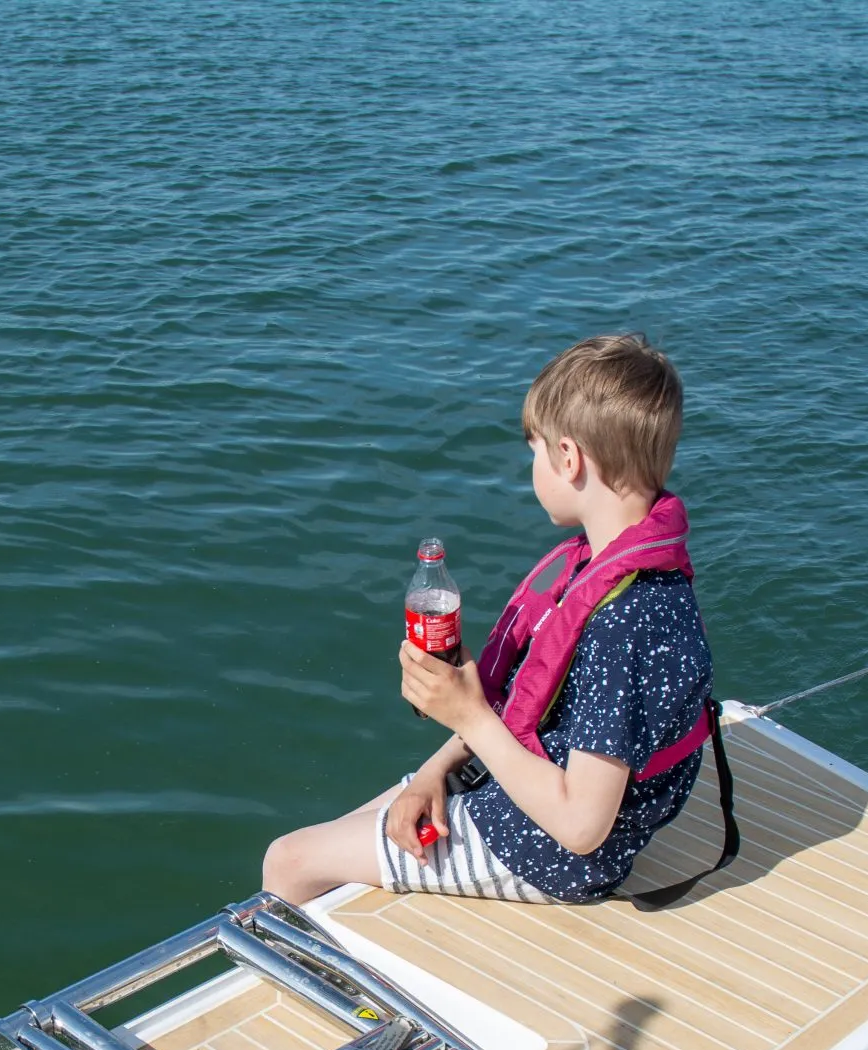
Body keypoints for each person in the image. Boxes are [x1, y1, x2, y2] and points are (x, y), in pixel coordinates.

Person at [262, 334, 722, 905]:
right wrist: (436, 771)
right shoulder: (637, 573)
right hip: (547, 791)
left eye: (535, 452)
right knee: (356, 826)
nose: (532, 467)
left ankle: (323, 991)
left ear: (569, 457)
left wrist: (470, 717)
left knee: (290, 861)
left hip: (550, 850)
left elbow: (581, 827)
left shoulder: (621, 620)